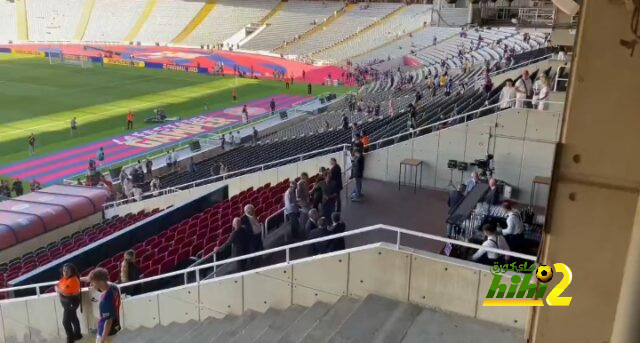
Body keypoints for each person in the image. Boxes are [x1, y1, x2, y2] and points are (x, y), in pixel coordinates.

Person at [89, 268, 121, 343]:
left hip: (105, 333)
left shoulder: (106, 300)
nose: (91, 284)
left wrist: (102, 340)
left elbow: (108, 322)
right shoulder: (113, 287)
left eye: (93, 282)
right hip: (115, 327)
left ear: (100, 282)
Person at [56, 263, 82, 343]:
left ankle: (70, 339)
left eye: (67, 271)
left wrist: (58, 290)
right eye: (64, 270)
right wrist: (59, 290)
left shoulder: (73, 279)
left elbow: (65, 292)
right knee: (73, 318)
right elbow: (57, 285)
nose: (65, 272)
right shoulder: (64, 278)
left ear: (72, 271)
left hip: (72, 302)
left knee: (65, 322)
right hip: (67, 303)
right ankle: (78, 335)